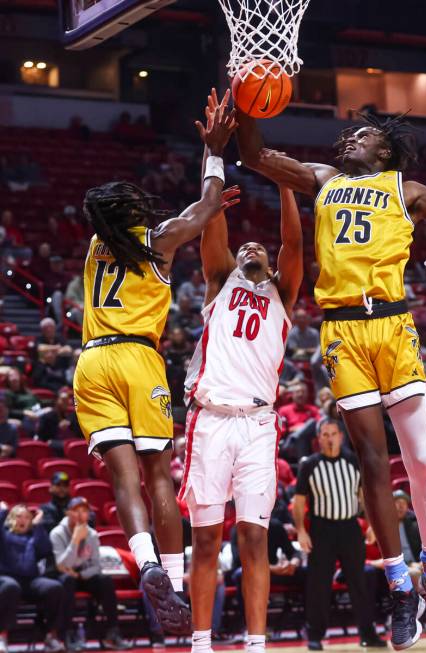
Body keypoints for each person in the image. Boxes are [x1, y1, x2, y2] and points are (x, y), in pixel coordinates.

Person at [237, 91, 426, 649]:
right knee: (371, 459)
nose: (350, 138)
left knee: (419, 459)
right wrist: (248, 94)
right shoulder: (323, 179)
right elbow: (254, 155)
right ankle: (399, 582)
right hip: (343, 331)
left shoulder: (406, 190)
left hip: (393, 326)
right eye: (349, 134)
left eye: (363, 135)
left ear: (386, 151)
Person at [72, 94, 238, 634]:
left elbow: (195, 215)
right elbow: (206, 207)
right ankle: (171, 575)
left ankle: (145, 563)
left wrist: (202, 212)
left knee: (123, 478)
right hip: (138, 359)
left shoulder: (99, 244)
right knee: (158, 476)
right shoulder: (158, 241)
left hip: (91, 363)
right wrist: (213, 152)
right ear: (134, 211)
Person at [180, 88, 304, 653]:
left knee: (255, 541)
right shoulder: (218, 281)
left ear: (272, 264)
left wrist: (284, 178)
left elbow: (295, 243)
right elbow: (212, 226)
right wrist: (214, 158)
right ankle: (201, 643)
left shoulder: (283, 292)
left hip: (256, 426)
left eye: (261, 246)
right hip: (209, 421)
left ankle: (256, 645)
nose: (252, 247)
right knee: (206, 543)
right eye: (244, 244)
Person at [293, 419, 385, 650]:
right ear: (319, 439)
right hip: (321, 529)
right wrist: (301, 531)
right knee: (319, 585)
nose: (330, 438)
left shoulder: (354, 461)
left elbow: (364, 497)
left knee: (359, 583)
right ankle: (315, 635)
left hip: (350, 528)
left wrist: (372, 525)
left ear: (341, 436)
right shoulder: (310, 465)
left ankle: (368, 634)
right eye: (325, 434)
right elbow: (299, 501)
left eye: (334, 433)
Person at [50, 497, 130, 650]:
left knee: (105, 580)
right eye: (76, 511)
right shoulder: (57, 533)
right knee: (68, 581)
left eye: (85, 511)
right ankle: (66, 634)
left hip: (82, 574)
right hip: (63, 576)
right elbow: (62, 565)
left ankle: (112, 633)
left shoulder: (92, 534)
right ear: (68, 513)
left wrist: (81, 574)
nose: (81, 515)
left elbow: (96, 566)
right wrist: (75, 540)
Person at [0, 504, 65, 652]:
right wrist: (3, 511)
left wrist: (38, 526)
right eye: (18, 516)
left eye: (27, 517)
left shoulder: (33, 535)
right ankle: (1, 636)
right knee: (11, 587)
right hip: (6, 579)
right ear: (11, 519)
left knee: (54, 588)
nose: (22, 520)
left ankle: (51, 636)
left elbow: (45, 549)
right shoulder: (3, 535)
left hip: (30, 580)